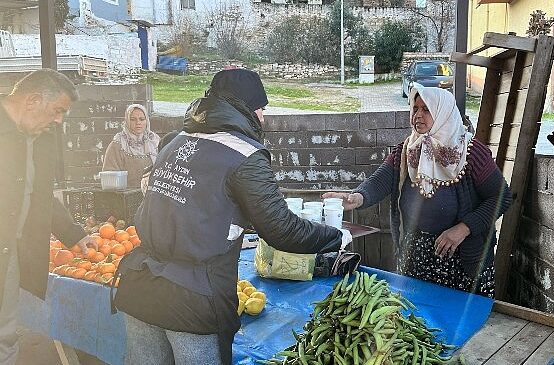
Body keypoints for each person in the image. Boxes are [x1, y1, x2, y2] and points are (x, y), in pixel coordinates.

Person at [113, 69, 352, 364]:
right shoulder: (244, 154)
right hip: (192, 299)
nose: (263, 118)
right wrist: (336, 236)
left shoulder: (176, 141)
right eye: (261, 108)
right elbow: (282, 230)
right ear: (245, 108)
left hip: (139, 286)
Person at [323, 85, 512, 298]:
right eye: (415, 108)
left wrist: (464, 228)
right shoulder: (408, 148)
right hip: (417, 254)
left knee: (462, 322)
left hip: (461, 258)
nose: (418, 115)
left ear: (443, 112)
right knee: (417, 317)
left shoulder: (470, 152)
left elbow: (501, 196)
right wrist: (356, 197)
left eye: (426, 109)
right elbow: (381, 180)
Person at [0, 69, 98, 364]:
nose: (59, 120)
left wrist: (73, 232)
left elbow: (41, 194)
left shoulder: (42, 138)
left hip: (11, 254)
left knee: (6, 334)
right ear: (32, 101)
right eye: (58, 111)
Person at [102, 103, 160, 188]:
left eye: (141, 119)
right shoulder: (118, 145)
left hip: (152, 196)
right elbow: (109, 176)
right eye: (133, 119)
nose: (138, 123)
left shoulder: (154, 141)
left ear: (146, 121)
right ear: (127, 121)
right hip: (126, 197)